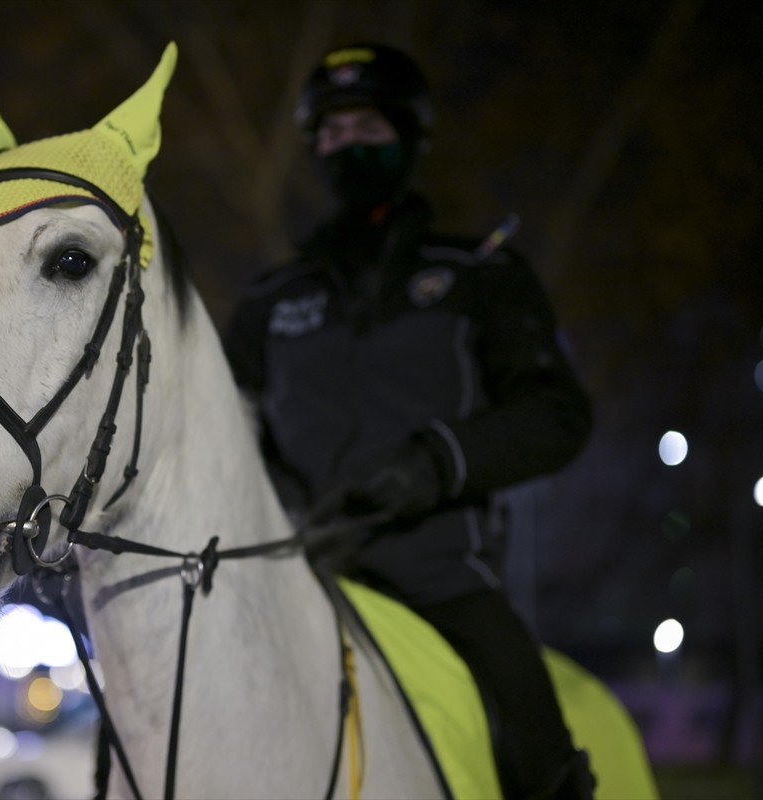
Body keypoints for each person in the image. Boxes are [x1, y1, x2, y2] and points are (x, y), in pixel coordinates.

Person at [222, 43, 595, 799]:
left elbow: (557, 413)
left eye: (364, 126)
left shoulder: (481, 277)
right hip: (297, 572)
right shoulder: (269, 301)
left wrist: (438, 460)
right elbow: (231, 432)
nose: (344, 145)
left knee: (535, 739)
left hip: (442, 575)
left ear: (410, 136)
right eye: (327, 133)